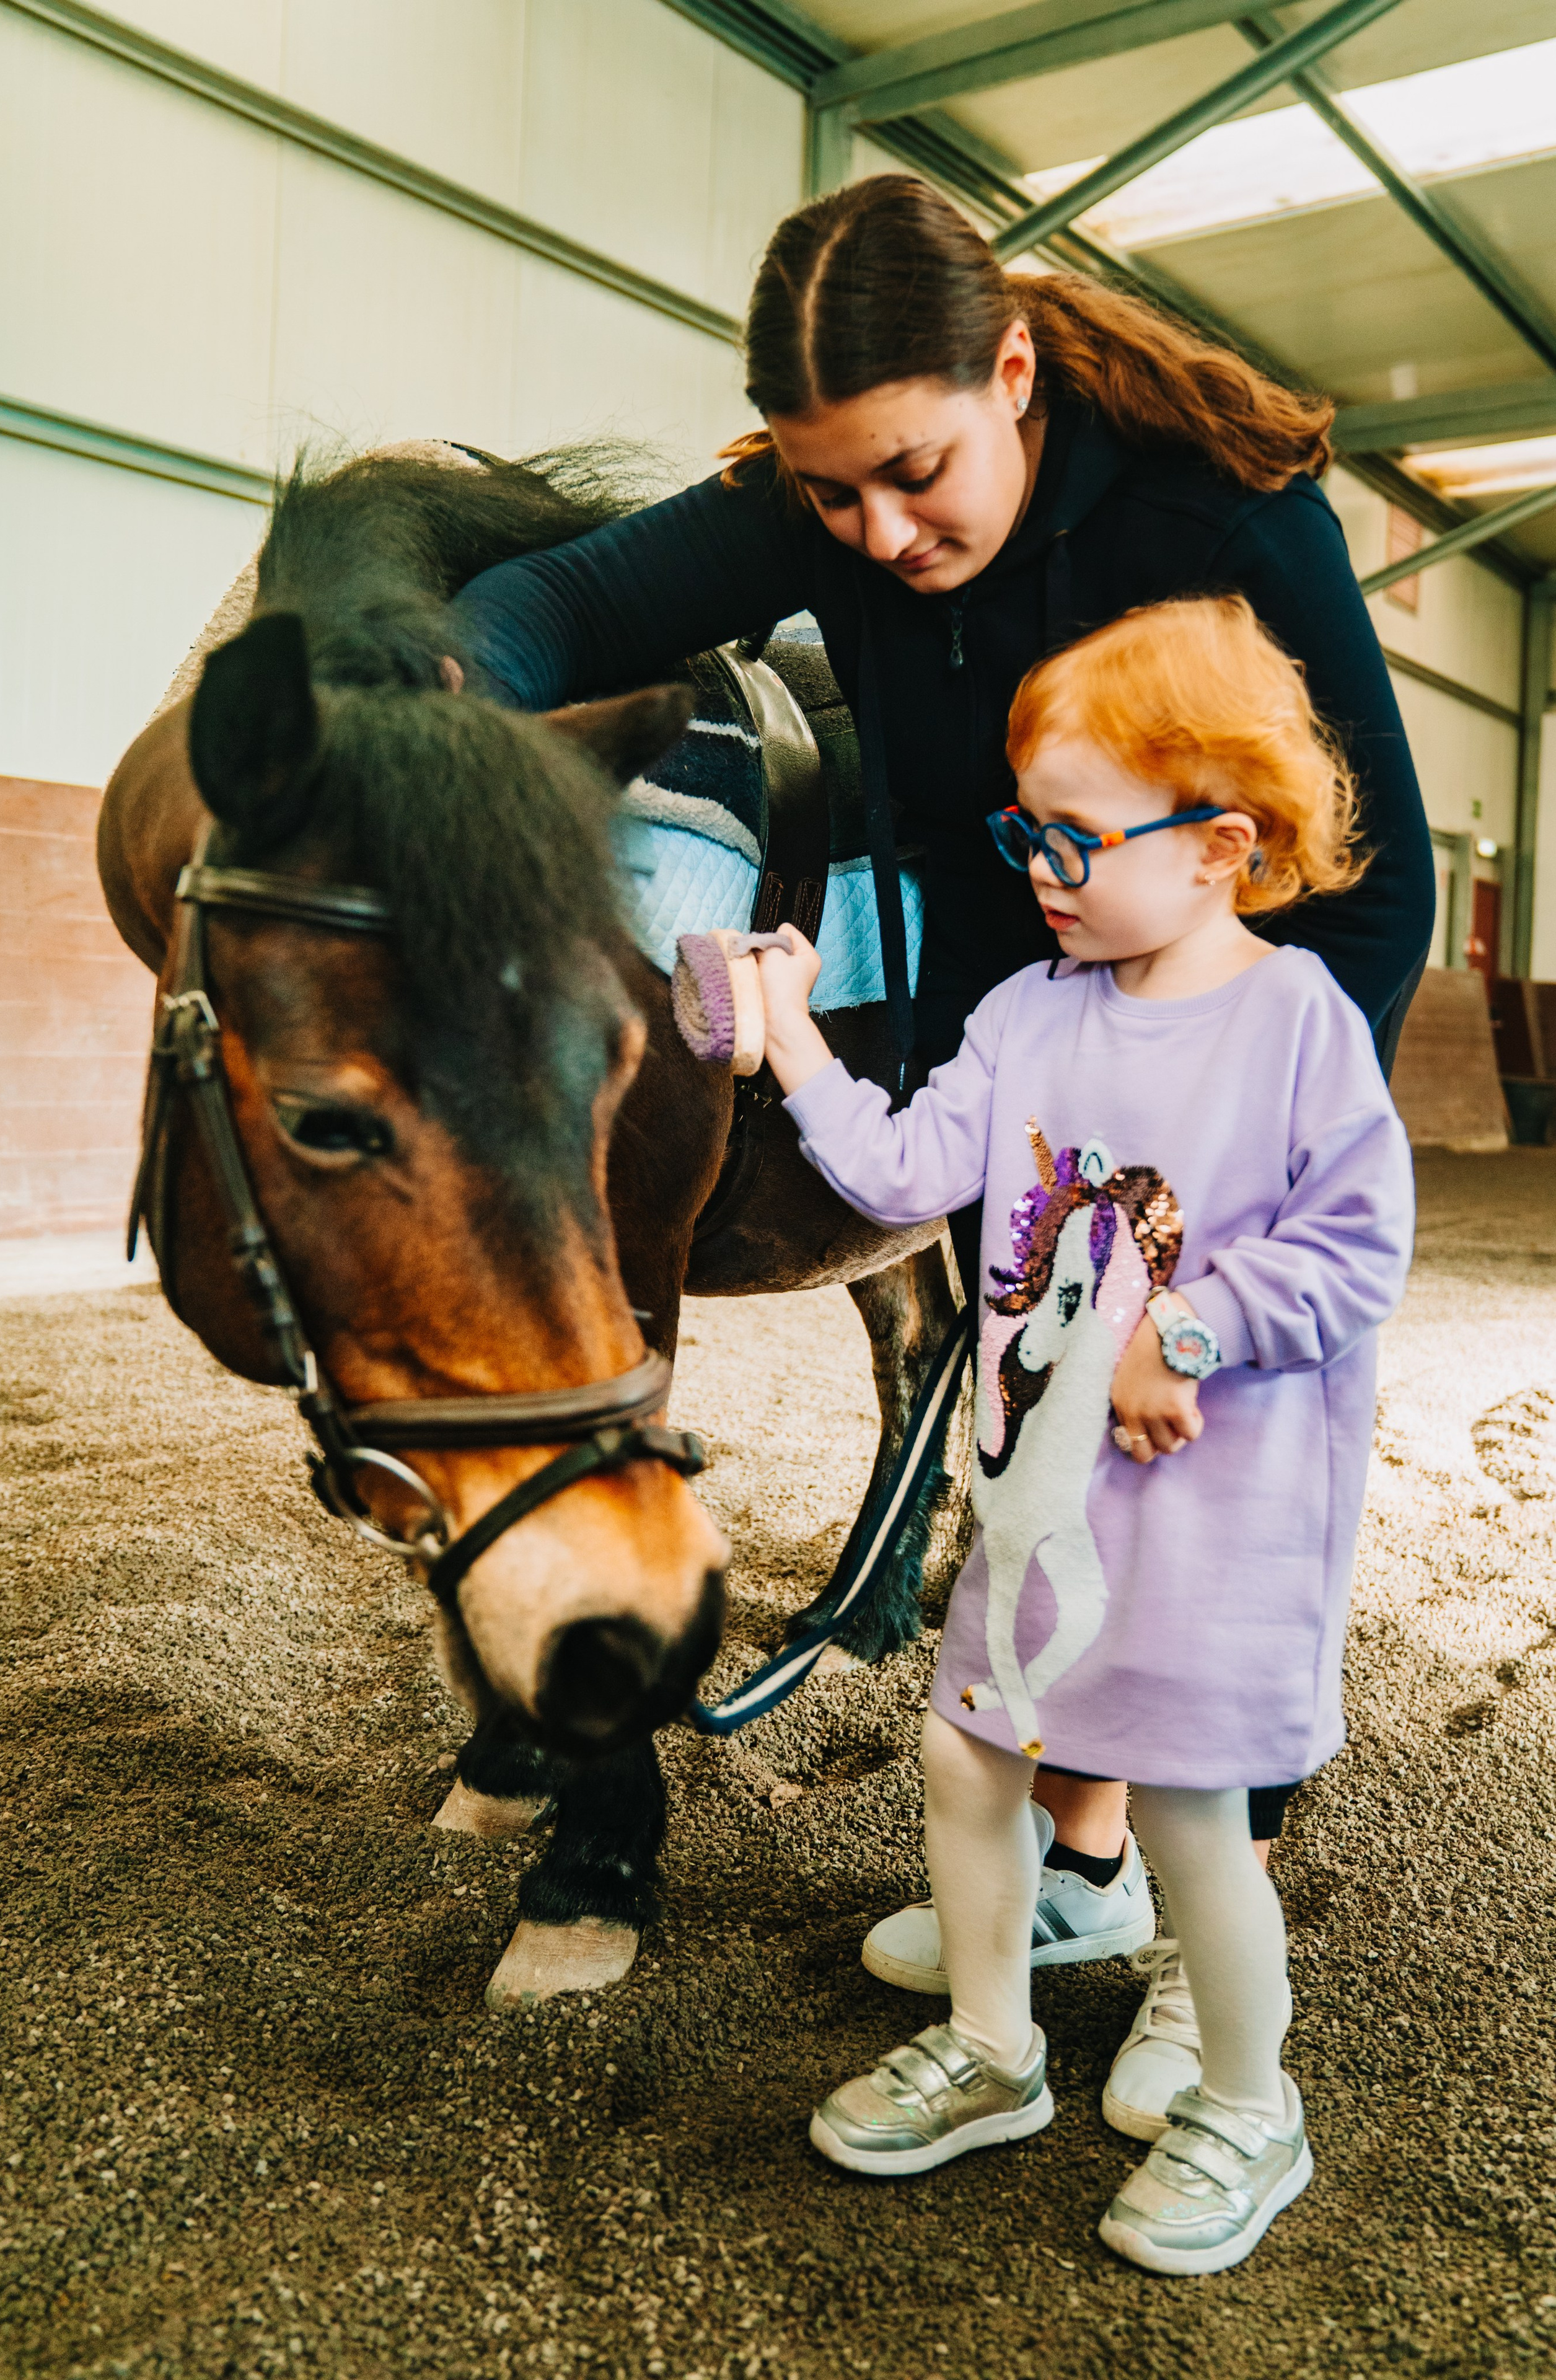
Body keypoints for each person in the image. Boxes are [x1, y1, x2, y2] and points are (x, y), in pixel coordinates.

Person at [452, 174, 1431, 1995]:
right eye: (830, 490)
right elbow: (558, 600)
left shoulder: (1216, 504)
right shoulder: (820, 509)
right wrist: (440, 697)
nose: (878, 532)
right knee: (1045, 1460)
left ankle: (1217, 1941)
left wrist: (1248, 1143)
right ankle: (1081, 1865)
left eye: (917, 471)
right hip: (1021, 1020)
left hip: (1238, 1053)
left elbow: (1383, 883)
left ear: (1015, 370)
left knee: (1210, 1483)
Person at [741, 594, 1413, 2271]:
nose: (1039, 864)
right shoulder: (1033, 1014)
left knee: (1197, 1822)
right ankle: (995, 2049)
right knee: (970, 1758)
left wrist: (1186, 1327)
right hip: (1040, 1515)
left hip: (1213, 1536)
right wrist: (796, 1047)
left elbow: (1355, 1249)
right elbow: (904, 1177)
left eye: (1076, 834)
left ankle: (1253, 2113)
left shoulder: (1298, 1029)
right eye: (1021, 827)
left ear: (1219, 848)